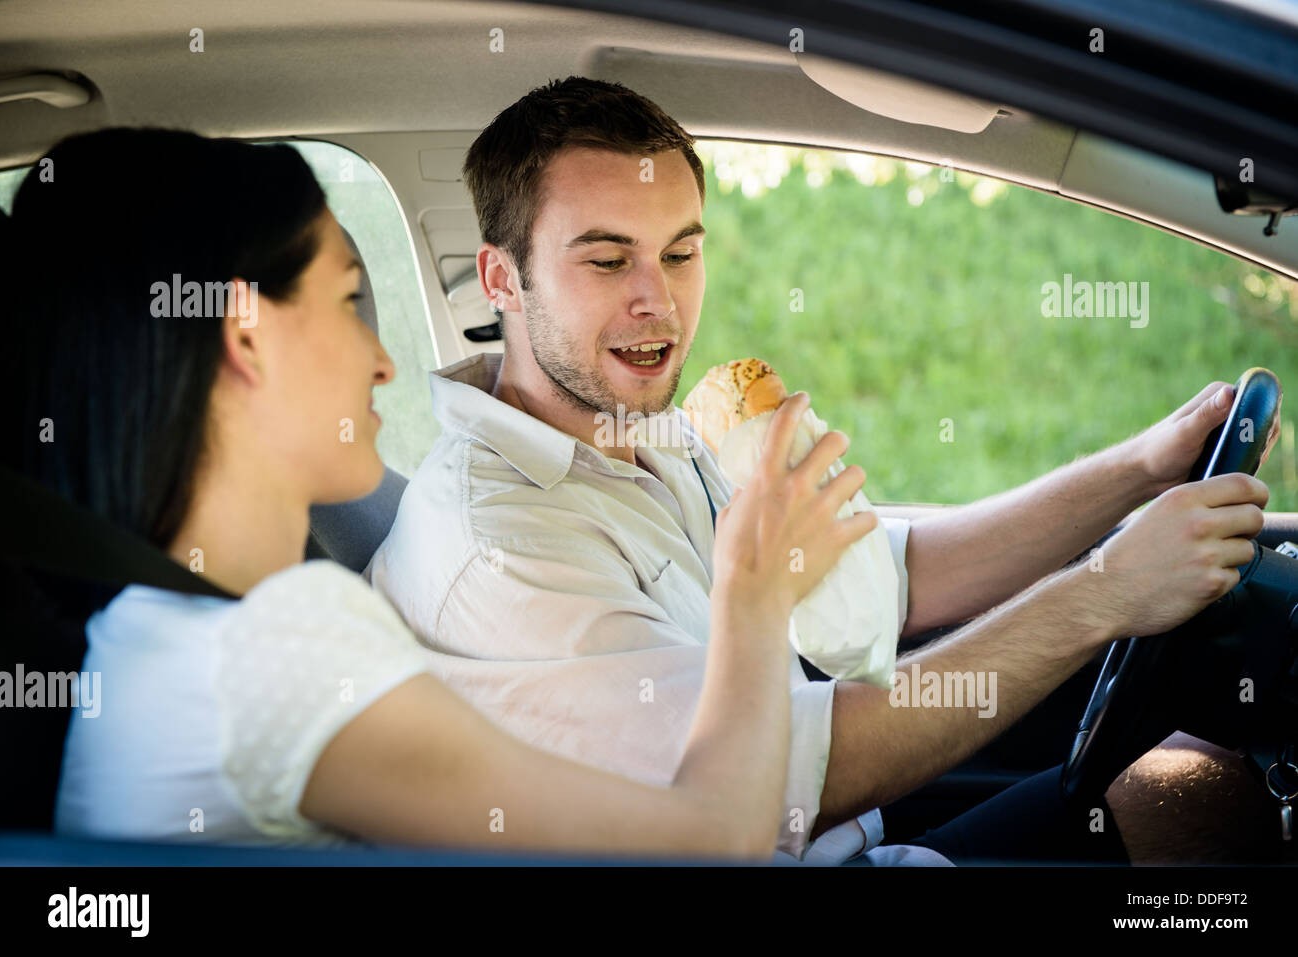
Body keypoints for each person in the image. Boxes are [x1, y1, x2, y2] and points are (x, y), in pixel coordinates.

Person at [368, 76, 1280, 865]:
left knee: (1206, 786)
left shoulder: (648, 433)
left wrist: (1138, 469)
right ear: (501, 278)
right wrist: (1106, 592)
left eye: (682, 252)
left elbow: (886, 576)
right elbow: (791, 777)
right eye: (608, 259)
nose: (660, 301)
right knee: (1209, 809)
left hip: (863, 842)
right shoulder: (499, 544)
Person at [2, 126, 875, 859]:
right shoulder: (269, 649)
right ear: (247, 336)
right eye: (347, 300)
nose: (383, 360)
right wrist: (754, 600)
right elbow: (714, 842)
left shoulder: (150, 634)